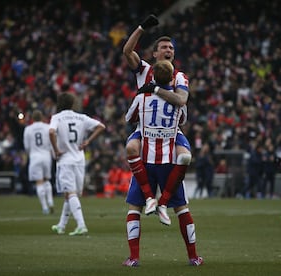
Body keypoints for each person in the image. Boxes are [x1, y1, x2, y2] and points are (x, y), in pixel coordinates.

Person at [123, 59, 203, 267]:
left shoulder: (142, 97)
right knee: (183, 209)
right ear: (171, 78)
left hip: (146, 160)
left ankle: (134, 258)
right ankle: (193, 257)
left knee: (134, 209)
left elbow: (129, 118)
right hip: (169, 162)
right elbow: (182, 120)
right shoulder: (178, 101)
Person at [122, 14, 192, 226]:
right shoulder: (144, 70)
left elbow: (181, 99)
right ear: (154, 53)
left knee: (185, 157)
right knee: (132, 147)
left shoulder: (179, 76)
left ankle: (164, 201)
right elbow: (127, 51)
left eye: (171, 48)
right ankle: (150, 198)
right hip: (145, 128)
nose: (168, 50)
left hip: (171, 130)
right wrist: (142, 27)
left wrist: (156, 89)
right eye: (164, 47)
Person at [50, 92, 106, 235]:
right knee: (70, 194)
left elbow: (51, 132)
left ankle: (81, 225)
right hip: (79, 159)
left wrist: (56, 150)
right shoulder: (81, 117)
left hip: (66, 160)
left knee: (70, 193)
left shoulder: (57, 117)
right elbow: (101, 126)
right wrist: (88, 141)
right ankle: (61, 225)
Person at [23, 110, 55, 214]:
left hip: (35, 157)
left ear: (32, 118)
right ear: (42, 117)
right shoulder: (47, 127)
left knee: (39, 182)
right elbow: (52, 142)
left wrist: (30, 154)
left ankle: (45, 207)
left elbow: (26, 147)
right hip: (46, 156)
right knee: (47, 180)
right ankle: (50, 202)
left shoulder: (28, 129)